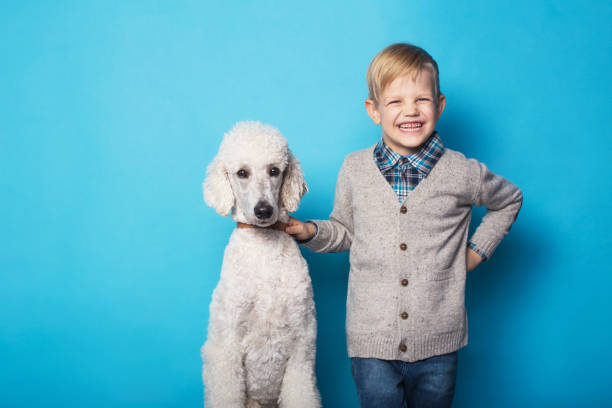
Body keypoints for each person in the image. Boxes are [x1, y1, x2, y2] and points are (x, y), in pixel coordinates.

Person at [285, 43, 523, 408]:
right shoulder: (355, 168)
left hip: (439, 342)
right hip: (371, 341)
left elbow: (509, 199)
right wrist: (309, 232)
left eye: (422, 100)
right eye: (395, 101)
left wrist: (476, 252)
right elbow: (345, 230)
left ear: (439, 105)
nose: (410, 111)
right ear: (374, 110)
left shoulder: (462, 171)